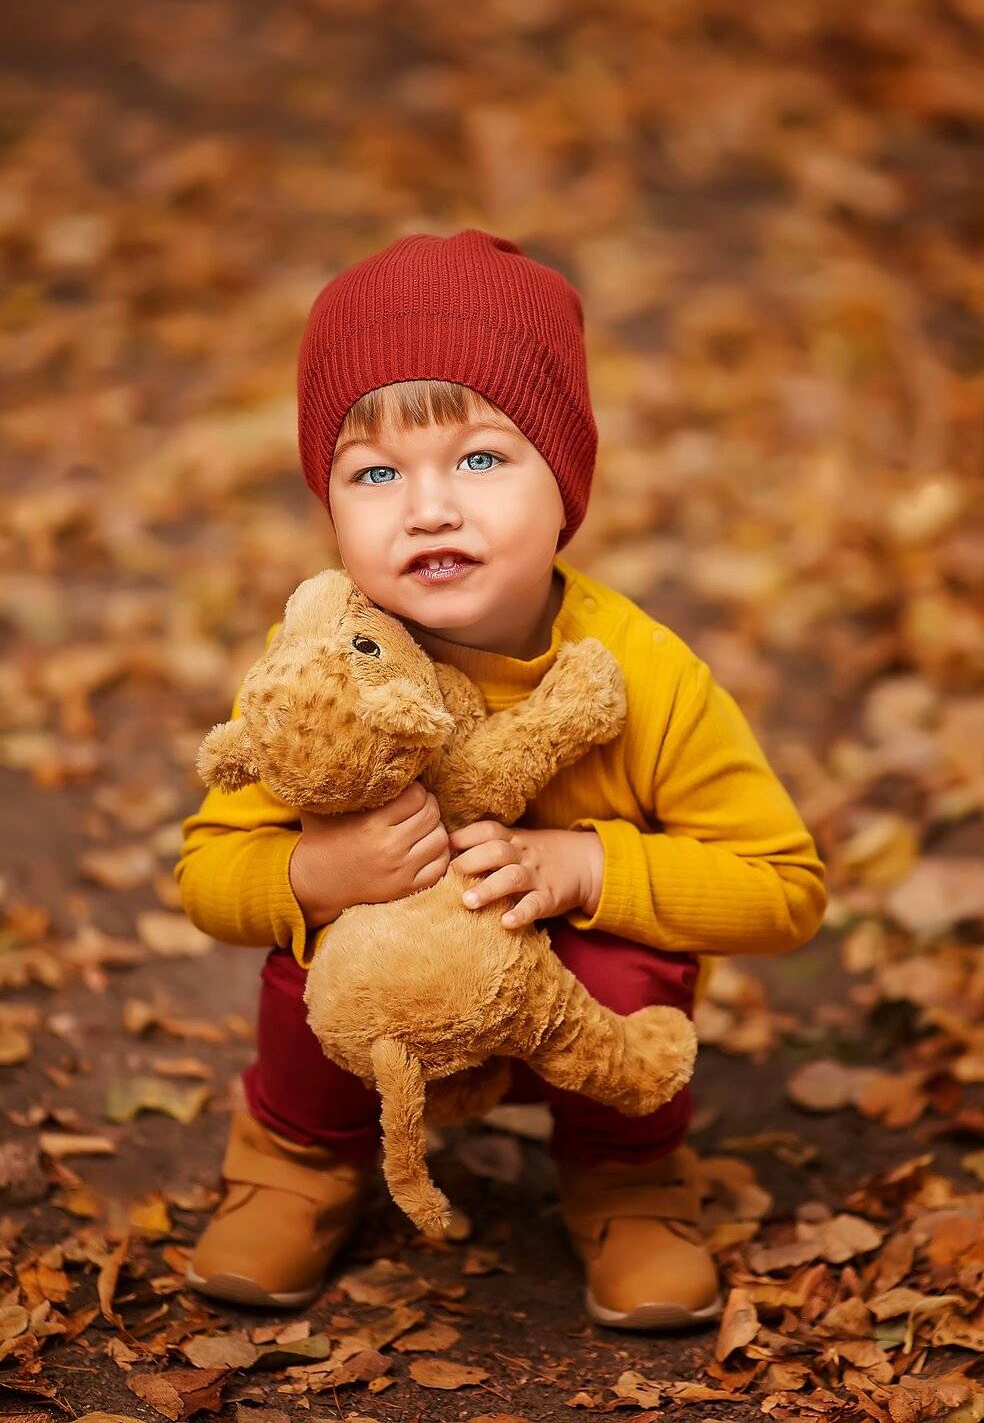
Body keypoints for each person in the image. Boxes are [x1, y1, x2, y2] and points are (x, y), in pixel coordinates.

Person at [174, 228, 826, 1330]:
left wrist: (585, 866)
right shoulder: (324, 671)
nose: (429, 508)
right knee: (313, 956)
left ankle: (627, 1177)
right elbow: (207, 876)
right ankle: (295, 1159)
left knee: (629, 962)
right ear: (329, 508)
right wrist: (316, 875)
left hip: (570, 1008)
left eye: (479, 458)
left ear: (564, 481)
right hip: (390, 999)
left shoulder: (646, 674)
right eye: (375, 473)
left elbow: (785, 888)